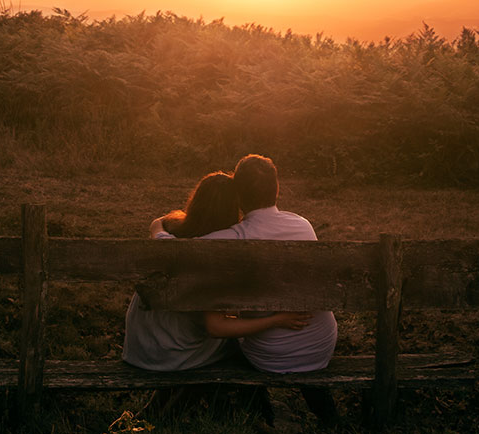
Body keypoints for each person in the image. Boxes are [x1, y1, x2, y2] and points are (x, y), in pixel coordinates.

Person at [123, 171, 311, 371]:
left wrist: (161, 225)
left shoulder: (174, 238)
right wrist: (275, 320)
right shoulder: (214, 254)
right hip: (174, 355)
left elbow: (157, 225)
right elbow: (216, 327)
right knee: (243, 345)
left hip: (139, 349)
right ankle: (250, 401)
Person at [205, 154, 338, 375]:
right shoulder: (303, 226)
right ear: (276, 188)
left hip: (270, 359)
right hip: (320, 347)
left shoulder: (226, 239)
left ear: (238, 194)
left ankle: (256, 407)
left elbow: (178, 248)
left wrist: (159, 228)